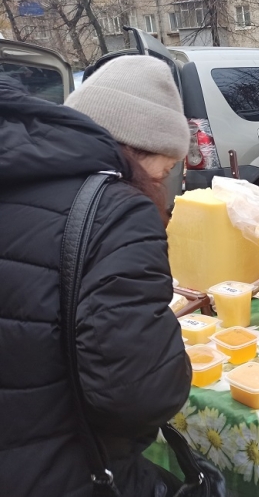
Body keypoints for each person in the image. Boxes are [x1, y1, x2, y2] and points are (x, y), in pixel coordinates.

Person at [0, 56, 192, 496]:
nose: (166, 180)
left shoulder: (15, 173)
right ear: (141, 149)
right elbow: (141, 394)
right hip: (63, 472)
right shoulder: (118, 210)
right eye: (165, 169)